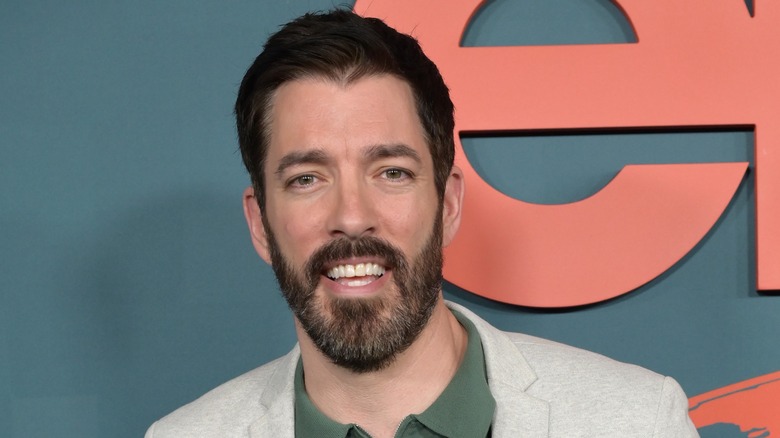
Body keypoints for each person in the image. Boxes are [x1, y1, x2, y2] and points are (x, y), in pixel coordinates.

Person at [146, 8, 699, 438]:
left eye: (391, 172)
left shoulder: (638, 421)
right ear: (260, 223)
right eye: (307, 179)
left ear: (448, 203)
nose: (352, 216)